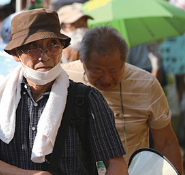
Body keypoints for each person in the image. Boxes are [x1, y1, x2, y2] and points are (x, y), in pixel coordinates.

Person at [0, 9, 128, 175]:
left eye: (53, 45)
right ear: (16, 54)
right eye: (32, 47)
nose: (44, 56)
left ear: (62, 48)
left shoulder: (87, 99)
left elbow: (116, 163)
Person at [63, 26, 183, 172]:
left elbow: (166, 143)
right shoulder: (63, 78)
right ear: (82, 58)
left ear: (125, 61)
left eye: (114, 70)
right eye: (97, 70)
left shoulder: (146, 85)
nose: (106, 78)